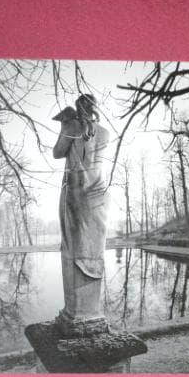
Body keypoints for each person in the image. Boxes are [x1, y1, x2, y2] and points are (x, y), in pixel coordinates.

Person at [53, 94, 111, 320]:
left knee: (73, 249)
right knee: (93, 251)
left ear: (78, 108)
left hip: (76, 192)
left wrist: (65, 124)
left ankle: (76, 313)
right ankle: (90, 312)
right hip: (98, 195)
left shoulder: (73, 126)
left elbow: (57, 152)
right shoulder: (105, 132)